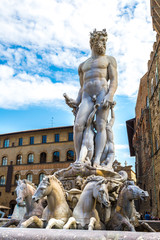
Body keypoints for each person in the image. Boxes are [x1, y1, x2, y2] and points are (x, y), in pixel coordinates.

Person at [64, 29, 118, 167]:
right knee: (78, 125)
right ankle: (78, 159)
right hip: (87, 96)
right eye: (101, 41)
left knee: (101, 125)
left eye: (105, 41)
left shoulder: (109, 60)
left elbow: (113, 80)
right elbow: (82, 87)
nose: (103, 44)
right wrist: (76, 101)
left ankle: (97, 160)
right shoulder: (82, 65)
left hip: (102, 92)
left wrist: (110, 95)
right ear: (93, 42)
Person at [100, 101, 116, 169]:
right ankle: (108, 166)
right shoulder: (109, 126)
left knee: (99, 163)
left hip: (104, 147)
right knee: (108, 165)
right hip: (111, 146)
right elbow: (113, 118)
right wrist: (112, 108)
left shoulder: (100, 129)